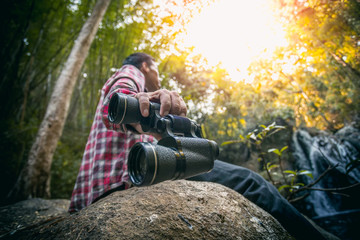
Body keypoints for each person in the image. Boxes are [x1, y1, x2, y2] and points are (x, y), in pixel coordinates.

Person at [69, 53, 326, 239]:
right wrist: (140, 100)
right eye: (156, 72)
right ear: (146, 67)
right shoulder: (131, 72)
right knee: (252, 182)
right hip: (131, 176)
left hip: (92, 194)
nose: (158, 80)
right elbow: (117, 103)